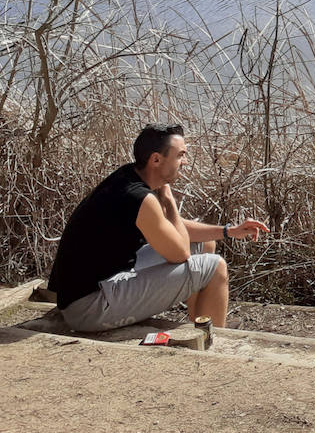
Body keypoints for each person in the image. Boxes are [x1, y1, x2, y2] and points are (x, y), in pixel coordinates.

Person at [48, 122, 269, 333]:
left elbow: (167, 230)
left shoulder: (129, 177)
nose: (185, 162)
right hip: (89, 308)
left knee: (204, 244)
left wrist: (229, 231)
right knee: (215, 267)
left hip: (97, 286)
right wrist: (169, 202)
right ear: (156, 159)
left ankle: (200, 327)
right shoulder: (139, 197)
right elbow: (180, 253)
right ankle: (215, 343)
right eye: (180, 155)